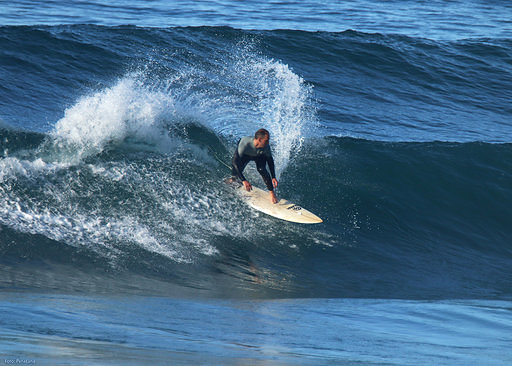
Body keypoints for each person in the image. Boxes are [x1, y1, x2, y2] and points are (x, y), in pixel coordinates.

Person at [231, 128, 279, 204]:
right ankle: (233, 180)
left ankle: (272, 193)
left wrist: (273, 177)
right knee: (237, 170)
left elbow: (270, 160)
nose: (268, 143)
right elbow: (234, 162)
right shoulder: (245, 144)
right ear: (259, 139)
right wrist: (244, 180)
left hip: (259, 155)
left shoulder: (266, 147)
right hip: (246, 155)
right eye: (266, 140)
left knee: (261, 169)